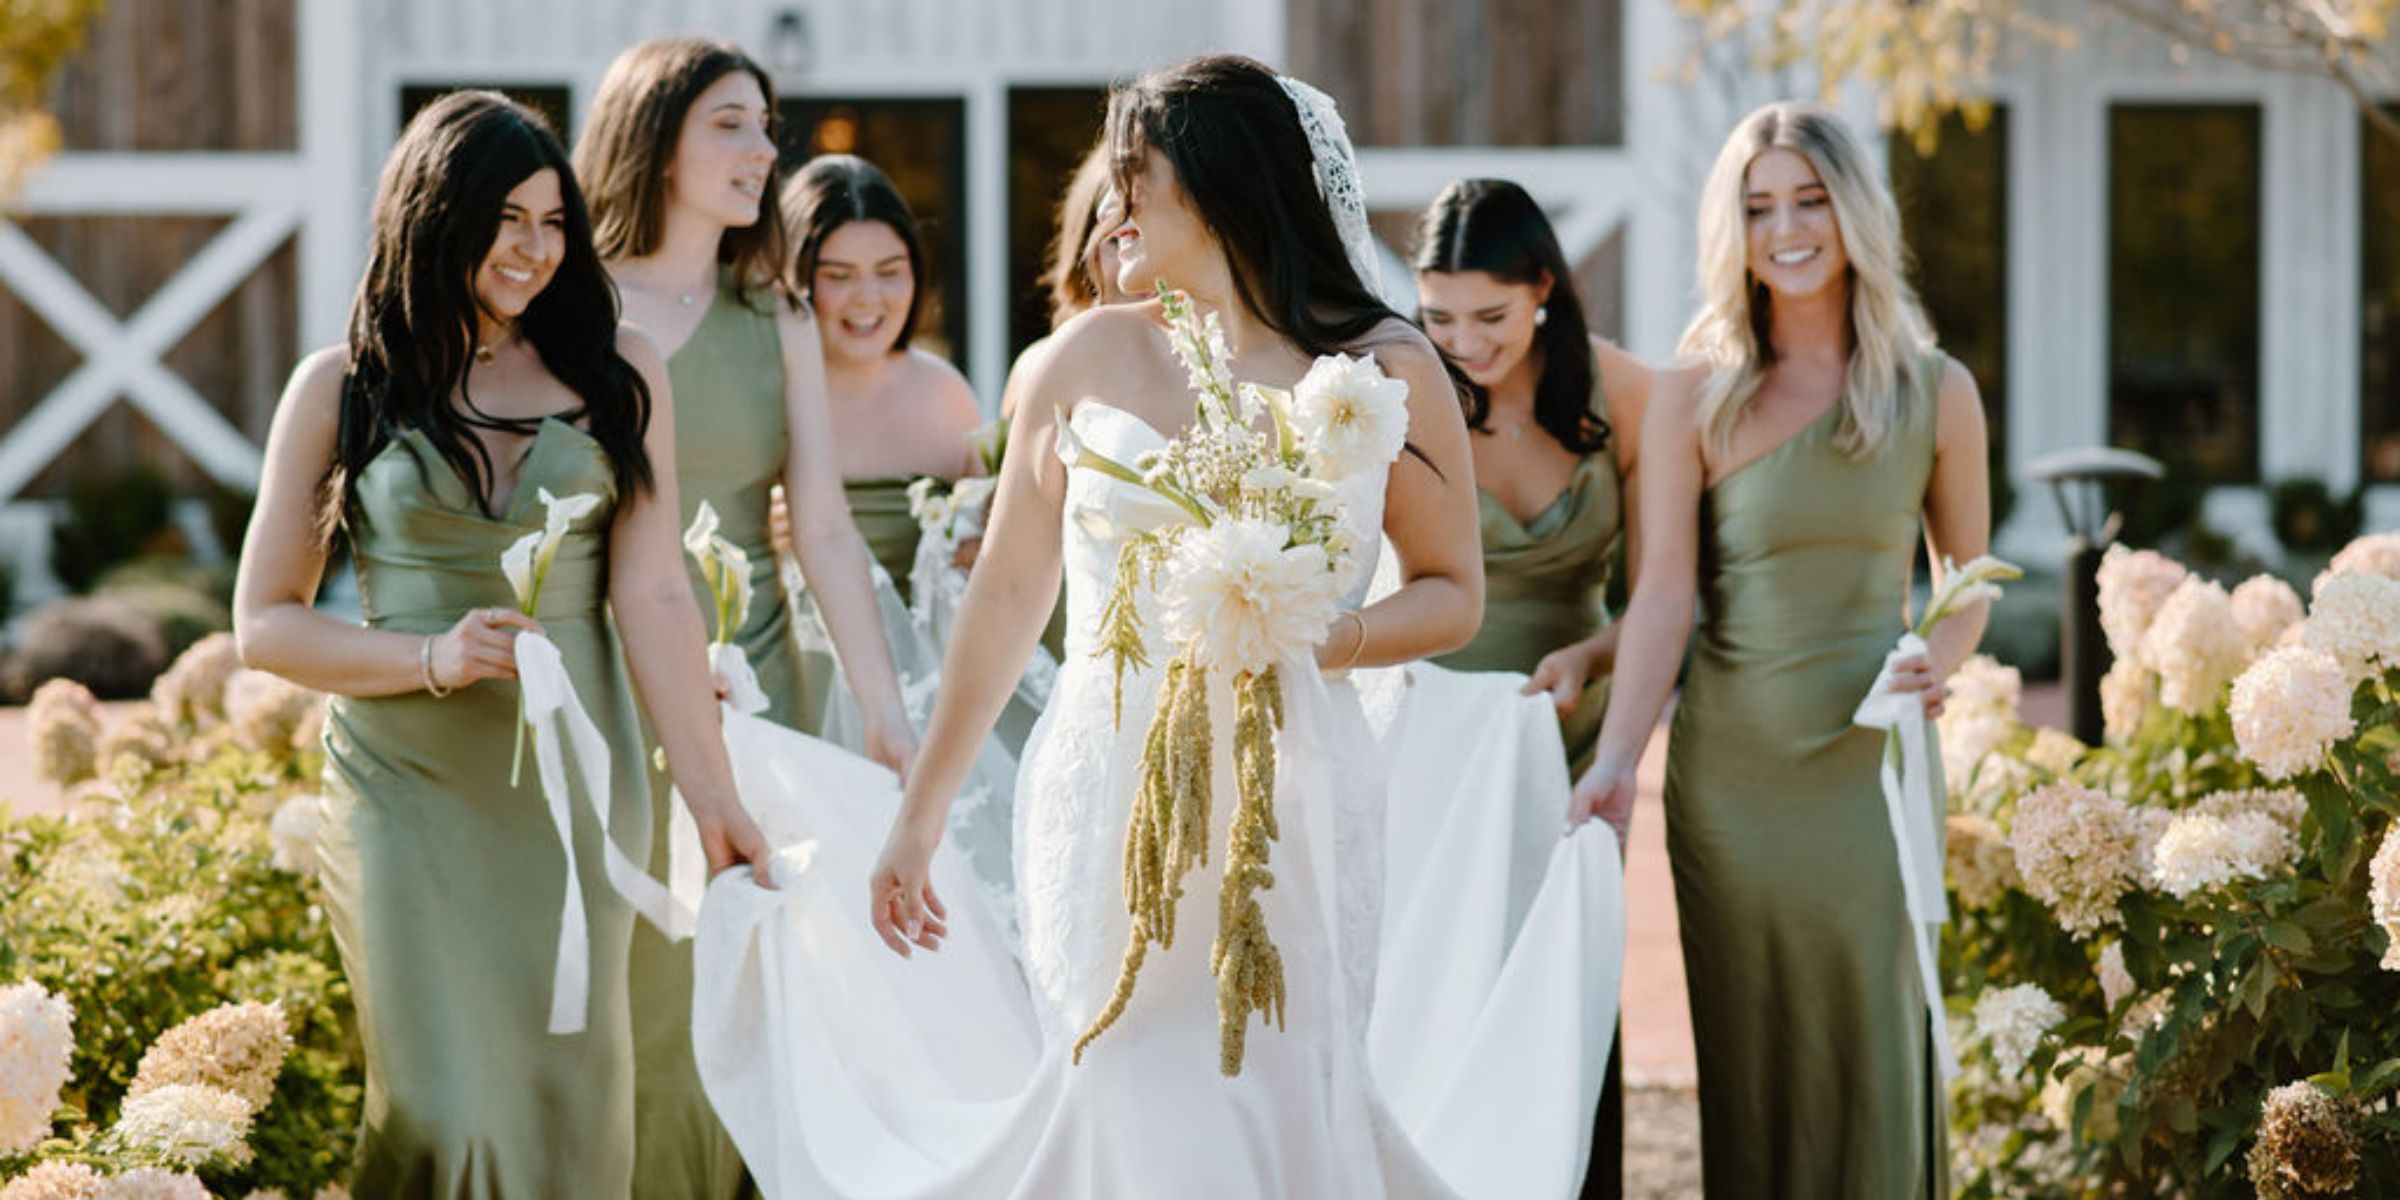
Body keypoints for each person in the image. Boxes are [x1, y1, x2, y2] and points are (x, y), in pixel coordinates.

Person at [689, 55, 1622, 1199]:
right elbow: (1007, 599)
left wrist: (1325, 639)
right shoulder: (1083, 359)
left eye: (1140, 179)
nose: (1112, 203)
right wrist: (919, 817)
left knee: (1273, 1073)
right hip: (1110, 785)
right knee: (1120, 1063)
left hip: (1292, 796)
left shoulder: (1383, 367)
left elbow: (1449, 593)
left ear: (1225, 190)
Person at [231, 91, 770, 1198]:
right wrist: (430, 658)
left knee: (573, 1091)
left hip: (582, 784)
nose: (533, 248)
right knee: (443, 1104)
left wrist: (712, 799)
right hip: (408, 791)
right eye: (505, 219)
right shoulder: (340, 388)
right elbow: (263, 623)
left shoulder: (620, 371)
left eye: (552, 221)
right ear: (435, 218)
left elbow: (656, 593)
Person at [1573, 100, 1991, 1197]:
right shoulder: (1690, 395)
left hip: (1872, 762)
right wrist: (1618, 761)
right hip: (1733, 781)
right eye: (1758, 207)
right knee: (1754, 1057)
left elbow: (1969, 583)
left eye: (1810, 199)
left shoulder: (1936, 391)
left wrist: (1938, 660)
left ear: (1853, 209)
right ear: (1734, 230)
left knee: (1875, 1028)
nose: (1787, 228)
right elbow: (1663, 598)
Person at [573, 37, 917, 1198]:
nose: (765, 150)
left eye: (767, 126)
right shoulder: (572, 308)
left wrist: (880, 706)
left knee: (769, 979)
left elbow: (820, 526)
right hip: (609, 682)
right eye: (732, 122)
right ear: (654, 133)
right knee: (645, 984)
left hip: (765, 689)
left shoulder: (771, 309)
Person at [1405, 176, 1652, 1199]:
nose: (1463, 341)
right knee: (1440, 975)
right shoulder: (1407, 395)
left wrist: (1592, 661)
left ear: (1546, 286)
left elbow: (1664, 600)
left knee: (1566, 976)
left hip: (1573, 734)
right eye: (1439, 317)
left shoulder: (1629, 395)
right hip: (1435, 741)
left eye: (1491, 316)